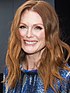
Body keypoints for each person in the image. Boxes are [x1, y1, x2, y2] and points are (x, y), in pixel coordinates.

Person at [3, 0, 70, 93]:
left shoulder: (64, 77)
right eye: (23, 27)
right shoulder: (11, 72)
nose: (29, 34)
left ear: (50, 32)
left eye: (37, 28)